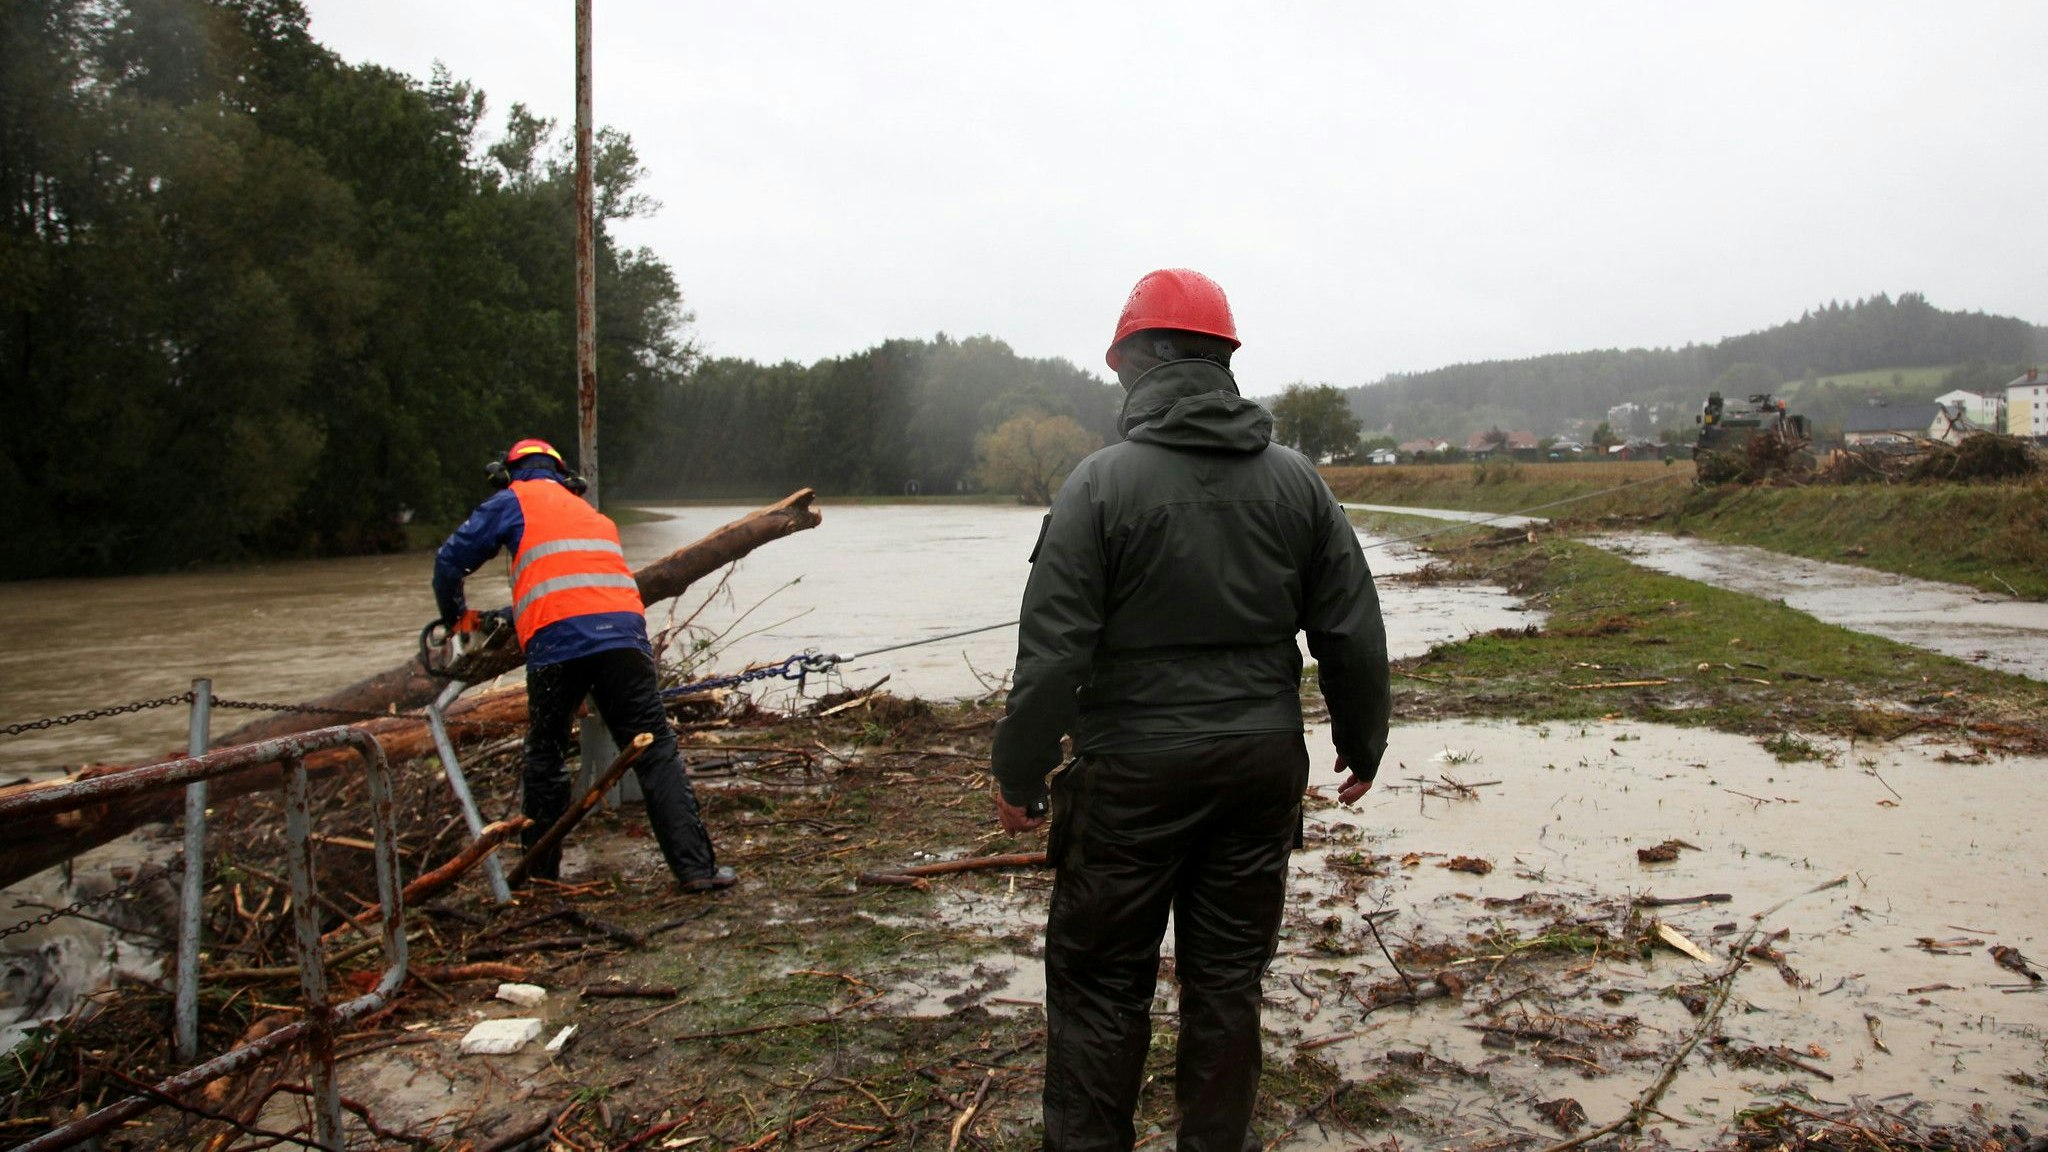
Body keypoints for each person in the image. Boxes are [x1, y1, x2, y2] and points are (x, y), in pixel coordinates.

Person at [989, 270, 1390, 1151]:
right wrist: (1363, 743)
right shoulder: (1300, 485)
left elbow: (1053, 655)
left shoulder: (1097, 486)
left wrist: (1018, 772)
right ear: (1223, 361)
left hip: (1130, 775)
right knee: (1227, 982)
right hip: (1258, 766)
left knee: (1099, 986)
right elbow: (1351, 630)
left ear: (1135, 364)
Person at [433, 438, 735, 892]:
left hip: (558, 646)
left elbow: (448, 562)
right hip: (625, 640)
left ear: (509, 472)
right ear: (563, 476)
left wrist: (459, 621)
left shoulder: (511, 499)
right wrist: (507, 617)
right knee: (656, 751)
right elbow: (578, 589)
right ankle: (697, 871)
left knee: (546, 755)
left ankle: (539, 878)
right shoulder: (593, 517)